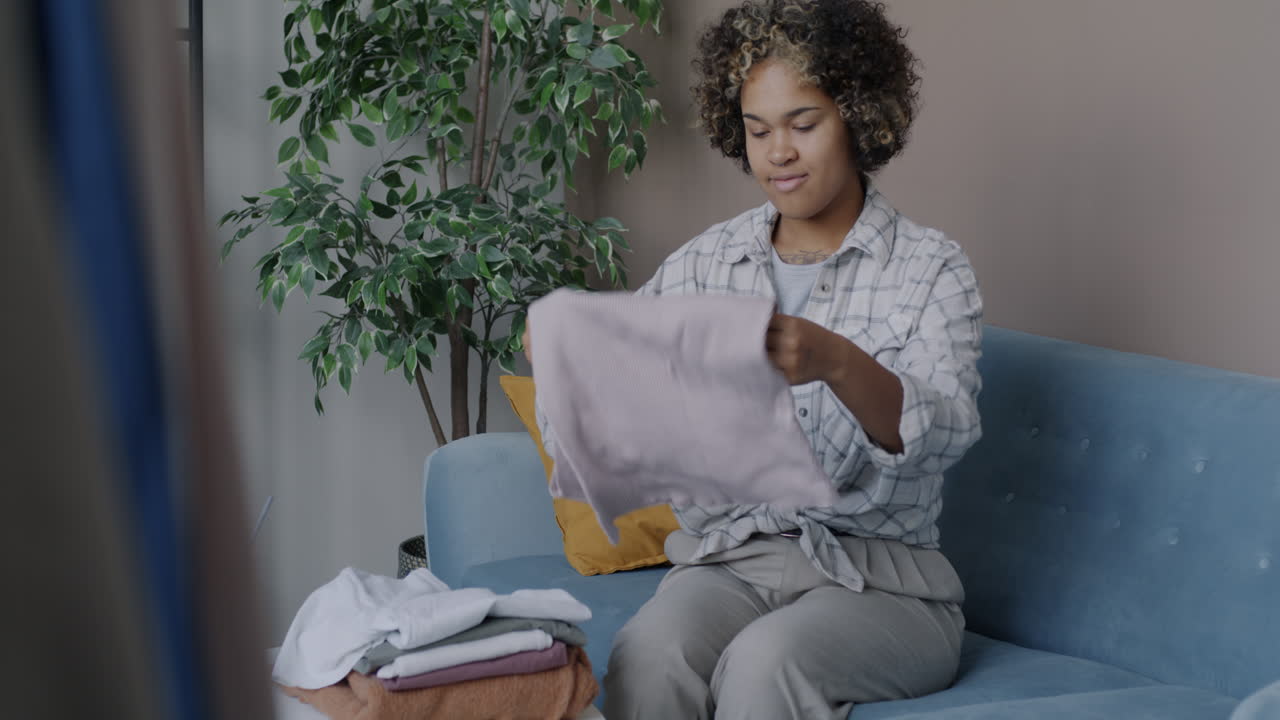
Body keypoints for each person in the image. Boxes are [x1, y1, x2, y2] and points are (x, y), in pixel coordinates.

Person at [525, 1, 983, 717]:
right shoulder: (708, 260)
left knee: (764, 664)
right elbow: (615, 400)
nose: (778, 153)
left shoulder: (930, 268)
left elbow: (950, 430)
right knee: (647, 654)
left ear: (859, 117)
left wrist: (837, 361)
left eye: (804, 125)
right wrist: (573, 364)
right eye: (758, 129)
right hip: (730, 565)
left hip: (888, 586)